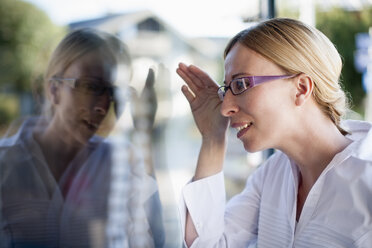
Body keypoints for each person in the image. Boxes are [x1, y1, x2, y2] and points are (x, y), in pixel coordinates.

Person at [176, 18, 372, 247]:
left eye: (240, 85)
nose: (225, 107)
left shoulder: (366, 183)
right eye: (226, 89)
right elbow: (207, 244)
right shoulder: (271, 175)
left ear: (301, 89)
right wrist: (212, 137)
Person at [0, 28, 165, 247]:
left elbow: (154, 240)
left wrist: (144, 131)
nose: (103, 106)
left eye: (111, 92)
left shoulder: (121, 162)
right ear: (54, 89)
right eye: (90, 87)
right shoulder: (6, 164)